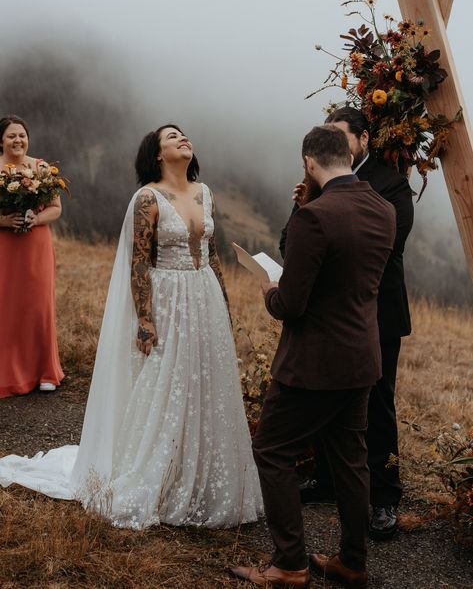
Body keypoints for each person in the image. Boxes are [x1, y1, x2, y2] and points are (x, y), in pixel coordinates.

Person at [0, 124, 262, 529]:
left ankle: (201, 474)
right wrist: (144, 318)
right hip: (167, 297)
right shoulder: (147, 197)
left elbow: (211, 257)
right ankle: (155, 471)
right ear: (157, 154)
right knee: (165, 381)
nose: (182, 139)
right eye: (172, 137)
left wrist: (224, 308)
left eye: (184, 135)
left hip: (203, 295)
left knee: (204, 381)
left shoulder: (204, 192)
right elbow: (139, 261)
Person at [230, 125, 395, 588]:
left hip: (313, 364)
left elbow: (292, 305)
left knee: (272, 449)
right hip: (362, 357)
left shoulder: (314, 218)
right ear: (348, 153)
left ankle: (289, 563)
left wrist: (269, 289)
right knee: (351, 460)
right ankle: (352, 561)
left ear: (308, 163)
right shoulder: (383, 209)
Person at [282, 107, 414, 541]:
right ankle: (325, 478)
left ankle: (384, 497)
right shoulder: (318, 185)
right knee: (323, 396)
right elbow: (291, 244)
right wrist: (303, 206)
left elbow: (387, 248)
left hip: (377, 312)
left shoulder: (392, 185)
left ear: (362, 139)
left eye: (340, 135)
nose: (333, 143)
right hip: (325, 314)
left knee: (377, 403)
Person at [0, 114, 64, 397]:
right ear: (1, 141)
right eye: (12, 136)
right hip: (5, 246)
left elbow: (55, 208)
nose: (18, 140)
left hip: (36, 245)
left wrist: (34, 219)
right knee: (7, 307)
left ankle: (45, 372)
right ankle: (8, 373)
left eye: (22, 135)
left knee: (38, 306)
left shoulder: (41, 168)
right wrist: (3, 221)